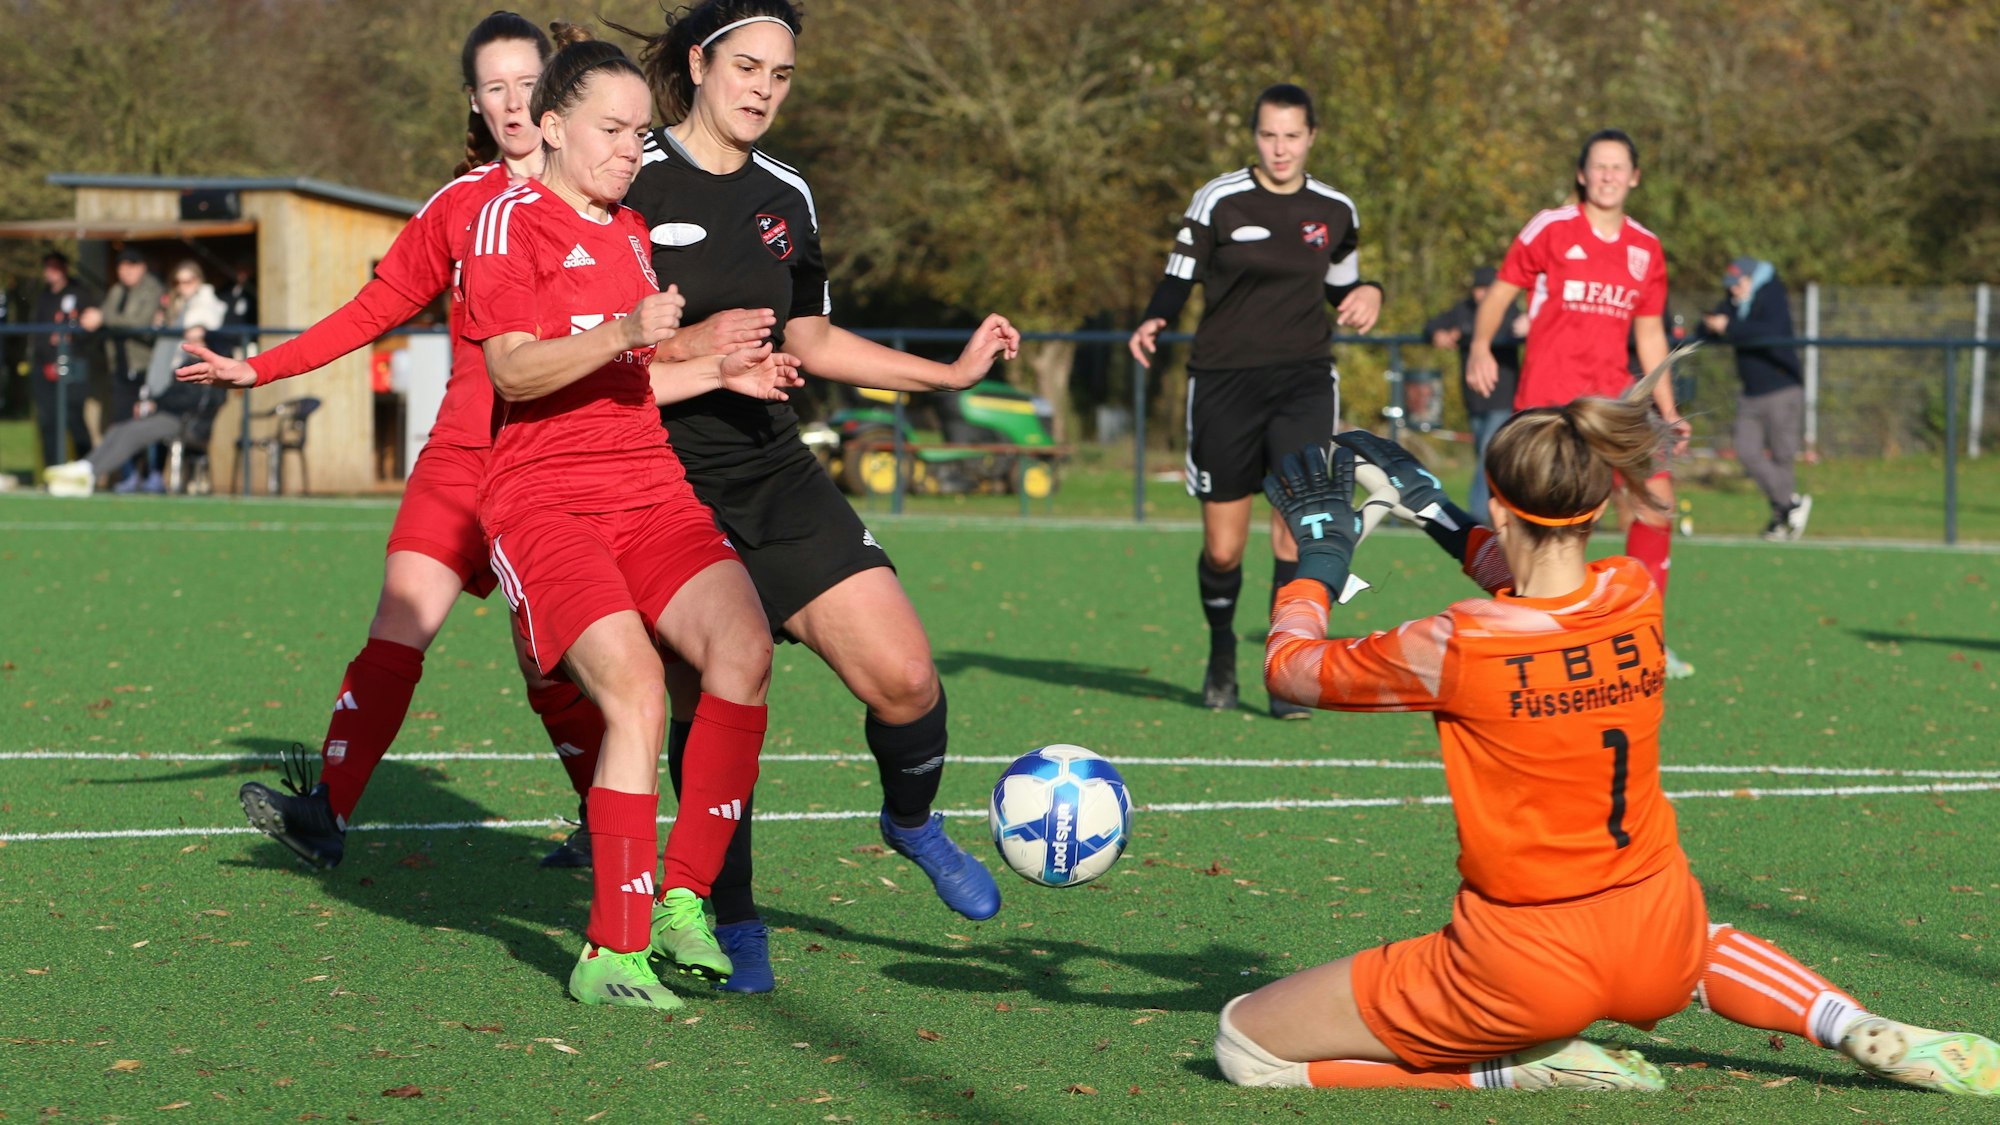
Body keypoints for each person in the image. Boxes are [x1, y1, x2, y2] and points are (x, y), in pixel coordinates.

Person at [1209, 370, 2000, 1098]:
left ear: (1501, 504)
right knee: (1701, 942)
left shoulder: (1457, 645)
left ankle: (1502, 1073)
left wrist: (1316, 554)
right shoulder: (1633, 593)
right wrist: (1437, 512)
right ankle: (1845, 1022)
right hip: (1654, 932)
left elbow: (1289, 666)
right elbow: (1531, 580)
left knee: (1246, 1042)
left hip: (1517, 963)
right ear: (1593, 504)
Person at [613, 0, 1022, 993]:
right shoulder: (626, 180)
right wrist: (693, 353)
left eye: (780, 75)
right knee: (718, 693)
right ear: (701, 64)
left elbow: (812, 339)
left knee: (906, 679)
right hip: (657, 475)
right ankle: (736, 915)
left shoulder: (786, 193)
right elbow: (599, 340)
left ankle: (911, 819)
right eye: (747, 66)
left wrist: (949, 374)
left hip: (771, 465)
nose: (762, 88)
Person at [175, 13, 616, 870]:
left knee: (548, 666)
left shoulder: (610, 203)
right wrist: (257, 370)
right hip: (459, 460)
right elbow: (373, 310)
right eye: (493, 87)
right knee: (397, 626)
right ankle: (325, 813)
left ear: (558, 88)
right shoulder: (457, 206)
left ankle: (608, 818)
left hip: (553, 467)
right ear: (475, 105)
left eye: (528, 80)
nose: (513, 101)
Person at [462, 29, 803, 1010]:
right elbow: (515, 370)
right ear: (552, 126)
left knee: (742, 647)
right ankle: (609, 950)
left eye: (638, 133)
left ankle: (683, 901)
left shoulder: (628, 235)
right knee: (640, 692)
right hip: (546, 500)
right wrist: (621, 330)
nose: (629, 150)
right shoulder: (508, 224)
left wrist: (718, 369)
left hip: (648, 488)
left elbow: (636, 382)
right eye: (611, 131)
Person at [1127, 83, 1381, 719]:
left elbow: (1342, 285)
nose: (1280, 148)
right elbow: (1177, 277)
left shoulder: (1336, 210)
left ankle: (1282, 670)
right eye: (1269, 135)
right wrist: (1154, 320)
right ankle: (1220, 655)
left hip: (1302, 382)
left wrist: (1369, 292)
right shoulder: (1219, 200)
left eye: (1292, 135)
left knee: (1296, 534)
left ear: (1311, 137)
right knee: (1223, 549)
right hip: (1224, 383)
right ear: (1255, 137)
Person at [1466, 129, 1694, 679]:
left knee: (1656, 501)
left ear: (1634, 177)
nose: (1609, 176)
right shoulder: (1551, 228)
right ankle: (1531, 631)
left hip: (1612, 402)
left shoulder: (1646, 248)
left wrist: (1666, 407)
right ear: (1582, 174)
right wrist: (1479, 346)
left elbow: (1649, 335)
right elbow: (1500, 292)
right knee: (1544, 524)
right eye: (1599, 166)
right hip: (1549, 405)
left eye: (1619, 167)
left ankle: (1645, 635)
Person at [1702, 257, 1807, 539]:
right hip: (1750, 392)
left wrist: (1729, 327)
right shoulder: (1733, 302)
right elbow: (1715, 326)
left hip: (1781, 388)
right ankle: (1790, 504)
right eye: (1730, 285)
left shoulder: (1772, 295)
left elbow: (1770, 331)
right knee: (1746, 451)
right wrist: (1709, 324)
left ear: (1751, 279)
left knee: (1783, 456)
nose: (1733, 290)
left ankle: (1779, 520)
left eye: (1737, 284)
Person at [1424, 266, 1524, 522]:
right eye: (1477, 289)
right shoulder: (1464, 309)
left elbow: (1508, 331)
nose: (1481, 295)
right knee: (1485, 453)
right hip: (1475, 397)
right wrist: (1439, 334)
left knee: (1488, 453)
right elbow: (1432, 324)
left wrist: (1465, 335)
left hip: (1502, 395)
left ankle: (1478, 515)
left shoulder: (1508, 309)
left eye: (1486, 289)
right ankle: (1499, 508)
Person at [42, 377, 227, 498]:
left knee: (132, 433)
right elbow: (170, 394)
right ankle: (85, 467)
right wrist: (155, 402)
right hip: (167, 414)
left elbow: (201, 399)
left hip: (186, 421)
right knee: (119, 428)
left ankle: (88, 476)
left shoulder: (213, 365)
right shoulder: (187, 362)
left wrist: (162, 404)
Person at [29, 251, 103, 471]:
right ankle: (52, 471)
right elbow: (37, 334)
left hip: (73, 366)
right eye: (48, 267)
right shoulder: (43, 296)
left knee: (75, 420)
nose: (51, 272)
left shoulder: (79, 293)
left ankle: (87, 470)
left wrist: (70, 336)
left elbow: (90, 330)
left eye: (56, 266)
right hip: (45, 367)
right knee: (48, 422)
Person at [99, 249, 166, 489]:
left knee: (149, 423)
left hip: (145, 367)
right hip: (120, 366)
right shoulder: (117, 291)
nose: (126, 270)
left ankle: (152, 475)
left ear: (143, 266)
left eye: (133, 264)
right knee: (121, 421)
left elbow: (140, 323)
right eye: (122, 265)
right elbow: (106, 313)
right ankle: (128, 476)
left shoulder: (152, 289)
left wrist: (105, 320)